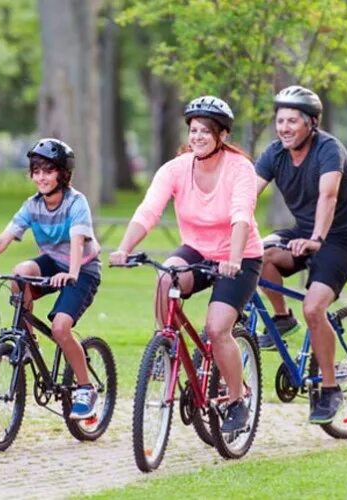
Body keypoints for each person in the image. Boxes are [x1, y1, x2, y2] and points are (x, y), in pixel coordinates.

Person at [109, 96, 263, 433]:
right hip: (196, 248)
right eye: (194, 130)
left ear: (221, 136)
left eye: (206, 131)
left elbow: (241, 216)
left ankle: (237, 400)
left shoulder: (240, 169)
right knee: (167, 278)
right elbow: (149, 211)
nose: (197, 137)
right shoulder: (176, 168)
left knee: (218, 327)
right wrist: (123, 248)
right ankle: (166, 346)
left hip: (240, 256)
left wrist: (234, 259)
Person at [254, 85, 347, 424]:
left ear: (311, 124)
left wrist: (317, 238)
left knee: (314, 307)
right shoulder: (274, 154)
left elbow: (327, 197)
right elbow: (247, 194)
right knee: (258, 256)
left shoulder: (329, 150)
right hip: (303, 231)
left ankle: (330, 389)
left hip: (341, 239)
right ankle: (282, 319)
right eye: (280, 121)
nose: (284, 128)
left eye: (292, 121)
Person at [0, 138, 102, 420]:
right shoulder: (32, 206)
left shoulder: (76, 202)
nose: (41, 177)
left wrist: (70, 273)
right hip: (53, 263)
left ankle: (85, 388)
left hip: (82, 269)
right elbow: (2, 240)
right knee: (19, 273)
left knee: (60, 329)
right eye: (36, 171)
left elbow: (77, 241)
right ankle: (28, 342)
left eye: (48, 171)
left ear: (63, 174)